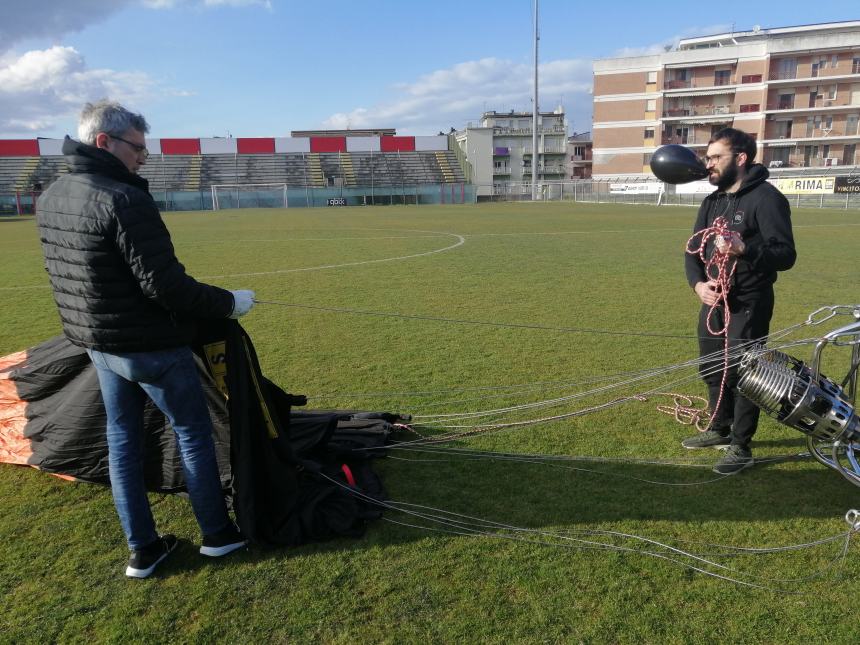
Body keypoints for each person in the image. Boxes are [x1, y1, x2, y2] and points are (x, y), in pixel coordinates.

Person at [36, 100, 256, 578]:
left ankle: (144, 550)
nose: (142, 157)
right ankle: (218, 536)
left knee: (122, 442)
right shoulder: (123, 198)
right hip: (150, 347)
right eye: (137, 148)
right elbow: (165, 285)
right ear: (104, 143)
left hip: (100, 346)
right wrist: (228, 302)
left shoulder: (52, 195)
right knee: (192, 434)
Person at [682, 128, 796, 475]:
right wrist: (698, 285)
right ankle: (719, 427)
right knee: (712, 367)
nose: (709, 164)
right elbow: (692, 249)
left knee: (745, 373)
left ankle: (741, 446)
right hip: (714, 300)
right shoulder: (712, 200)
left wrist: (745, 248)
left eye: (716, 157)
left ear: (741, 159)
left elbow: (786, 255)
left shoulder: (766, 198)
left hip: (749, 301)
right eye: (708, 157)